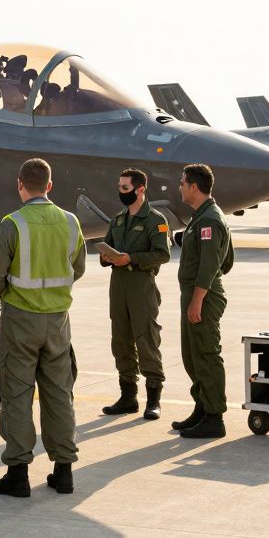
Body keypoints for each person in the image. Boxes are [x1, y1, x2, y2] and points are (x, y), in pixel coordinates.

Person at [0, 158, 86, 497]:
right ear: (50, 186)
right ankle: (64, 471)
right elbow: (78, 267)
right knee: (59, 394)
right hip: (58, 321)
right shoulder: (70, 222)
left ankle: (18, 473)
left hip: (20, 320)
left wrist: (11, 292)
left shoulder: (13, 223)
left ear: (20, 185)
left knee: (17, 395)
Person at [99, 168, 170, 421]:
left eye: (125, 188)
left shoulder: (155, 219)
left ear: (140, 189)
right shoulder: (118, 219)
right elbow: (107, 246)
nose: (121, 192)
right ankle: (128, 397)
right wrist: (107, 256)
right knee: (120, 340)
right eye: (119, 187)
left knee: (147, 339)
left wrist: (132, 258)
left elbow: (163, 254)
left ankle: (153, 399)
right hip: (118, 287)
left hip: (141, 286)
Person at [172, 164, 235, 439]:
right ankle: (202, 408)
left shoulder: (209, 220)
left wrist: (198, 299)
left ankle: (214, 418)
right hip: (197, 293)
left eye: (182, 183)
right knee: (192, 355)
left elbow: (211, 265)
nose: (180, 187)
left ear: (194, 187)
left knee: (206, 354)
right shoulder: (202, 216)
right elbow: (227, 260)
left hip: (203, 295)